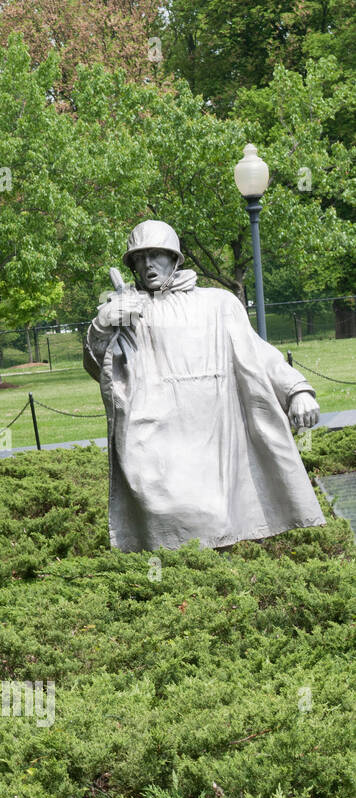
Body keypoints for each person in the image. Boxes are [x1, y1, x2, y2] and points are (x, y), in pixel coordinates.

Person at [85, 219, 324, 551]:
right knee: (168, 517)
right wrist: (103, 325)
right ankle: (176, 589)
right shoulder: (130, 311)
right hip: (155, 438)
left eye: (156, 255)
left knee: (213, 521)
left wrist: (297, 389)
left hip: (213, 434)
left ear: (175, 258)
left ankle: (211, 589)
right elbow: (100, 367)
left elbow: (257, 354)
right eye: (139, 258)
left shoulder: (218, 304)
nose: (148, 265)